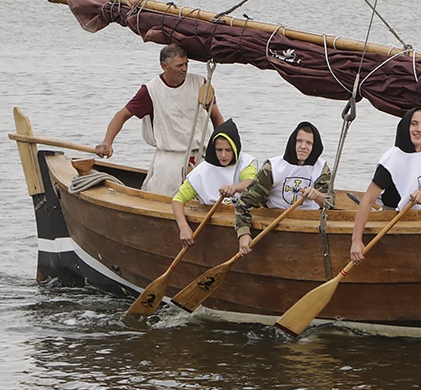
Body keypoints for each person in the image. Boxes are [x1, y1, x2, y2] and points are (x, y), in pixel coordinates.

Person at [95, 44, 225, 196]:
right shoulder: (150, 91)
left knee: (210, 198)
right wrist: (108, 142)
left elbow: (215, 116)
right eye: (179, 65)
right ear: (165, 66)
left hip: (202, 156)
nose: (184, 69)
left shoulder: (201, 84)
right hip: (170, 160)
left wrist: (222, 147)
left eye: (186, 64)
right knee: (163, 199)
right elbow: (122, 115)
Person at [350, 107, 421, 264]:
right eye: (414, 124)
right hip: (395, 217)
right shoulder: (391, 160)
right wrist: (356, 241)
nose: (419, 130)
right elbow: (368, 200)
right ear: (405, 126)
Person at [234, 122, 332, 256]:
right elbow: (245, 203)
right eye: (299, 141)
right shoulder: (273, 167)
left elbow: (330, 204)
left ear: (315, 147)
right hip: (274, 224)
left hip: (309, 224)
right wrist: (243, 233)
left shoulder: (322, 169)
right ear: (293, 142)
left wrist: (317, 196)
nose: (303, 146)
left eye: (309, 143)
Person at [171, 118, 257, 247]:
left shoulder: (245, 163)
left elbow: (251, 182)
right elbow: (177, 200)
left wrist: (234, 188)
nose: (223, 155)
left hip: (242, 218)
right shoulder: (202, 171)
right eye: (219, 150)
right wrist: (183, 228)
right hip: (213, 222)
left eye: (228, 150)